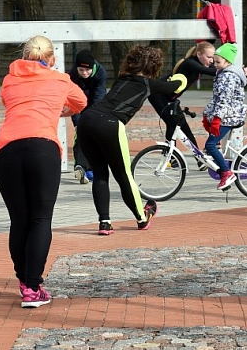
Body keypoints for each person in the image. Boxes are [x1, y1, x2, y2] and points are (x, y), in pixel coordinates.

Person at [0, 36, 86, 309]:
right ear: (52, 58)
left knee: (18, 219)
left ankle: (25, 282)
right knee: (40, 219)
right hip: (42, 148)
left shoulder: (10, 79)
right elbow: (81, 102)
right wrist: (57, 110)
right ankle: (33, 287)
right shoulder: (60, 79)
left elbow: (8, 103)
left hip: (7, 149)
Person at [76, 44, 186, 236]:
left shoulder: (122, 78)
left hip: (86, 120)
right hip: (110, 124)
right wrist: (181, 77)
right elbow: (174, 87)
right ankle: (142, 218)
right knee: (124, 176)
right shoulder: (148, 84)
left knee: (100, 175)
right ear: (154, 67)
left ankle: (104, 223)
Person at [148, 41, 216, 169]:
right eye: (209, 57)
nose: (212, 60)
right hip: (158, 95)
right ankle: (169, 156)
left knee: (184, 127)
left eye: (213, 57)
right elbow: (212, 72)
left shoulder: (197, 62)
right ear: (199, 54)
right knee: (172, 124)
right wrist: (230, 67)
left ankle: (200, 160)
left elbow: (214, 69)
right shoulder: (191, 63)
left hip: (170, 98)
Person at [202, 43, 247, 191]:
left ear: (228, 62)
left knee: (210, 145)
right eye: (214, 61)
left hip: (230, 116)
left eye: (218, 62)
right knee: (212, 145)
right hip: (227, 115)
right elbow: (215, 99)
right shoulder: (222, 74)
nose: (215, 65)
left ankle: (226, 173)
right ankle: (223, 168)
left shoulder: (227, 76)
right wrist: (206, 114)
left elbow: (224, 100)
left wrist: (216, 119)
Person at [68, 49, 107, 184]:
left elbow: (99, 97)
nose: (84, 73)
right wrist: (78, 122)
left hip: (95, 106)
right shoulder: (72, 75)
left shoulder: (101, 73)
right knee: (80, 135)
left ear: (93, 67)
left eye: (87, 70)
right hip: (78, 104)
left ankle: (92, 168)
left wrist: (91, 120)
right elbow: (72, 100)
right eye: (81, 70)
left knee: (95, 137)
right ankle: (80, 167)